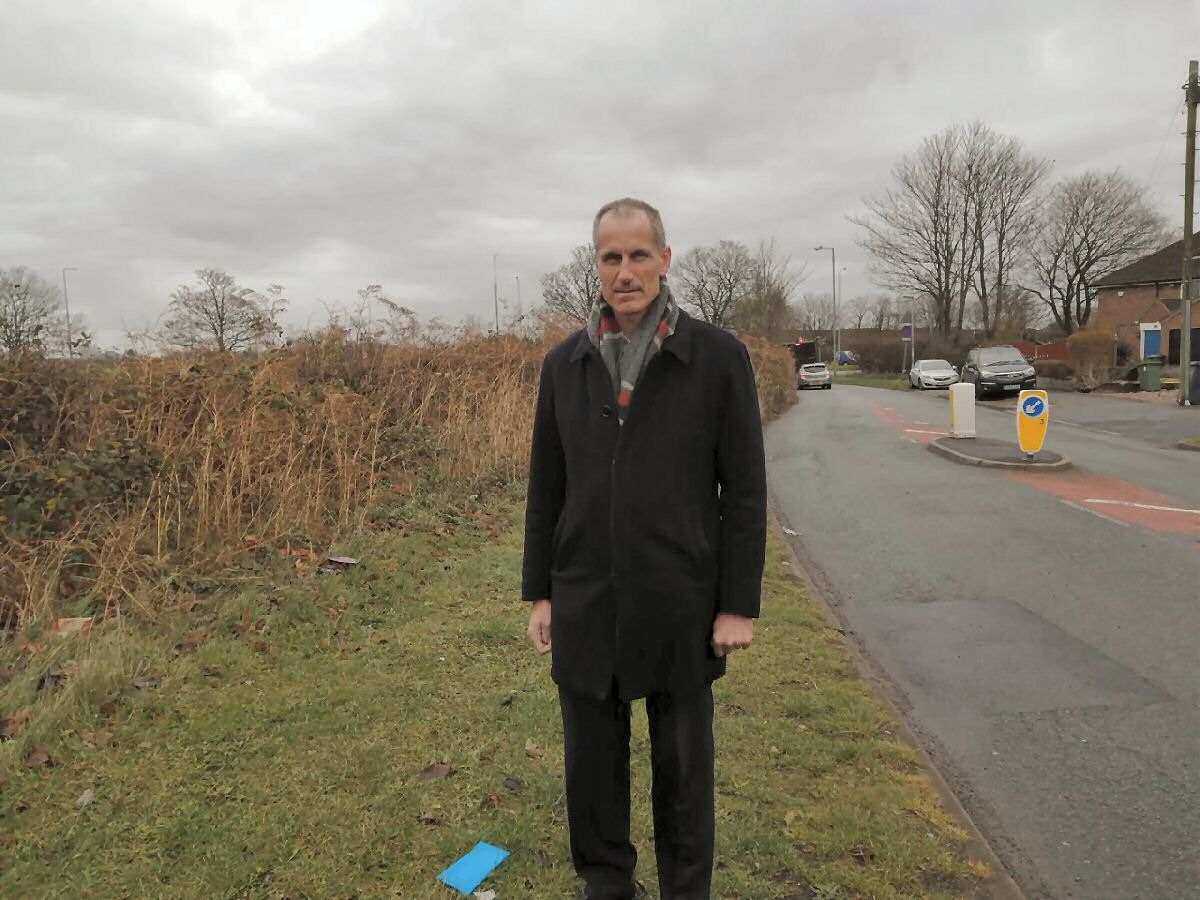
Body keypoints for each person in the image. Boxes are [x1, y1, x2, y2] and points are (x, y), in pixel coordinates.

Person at [521, 198, 767, 899]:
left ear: (664, 258)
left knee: (683, 776)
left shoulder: (717, 357)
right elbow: (548, 486)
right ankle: (608, 887)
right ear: (595, 265)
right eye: (610, 257)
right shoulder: (562, 365)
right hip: (586, 598)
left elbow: (745, 491)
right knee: (592, 774)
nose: (624, 271)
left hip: (681, 600)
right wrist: (542, 592)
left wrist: (736, 607)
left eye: (637, 255)